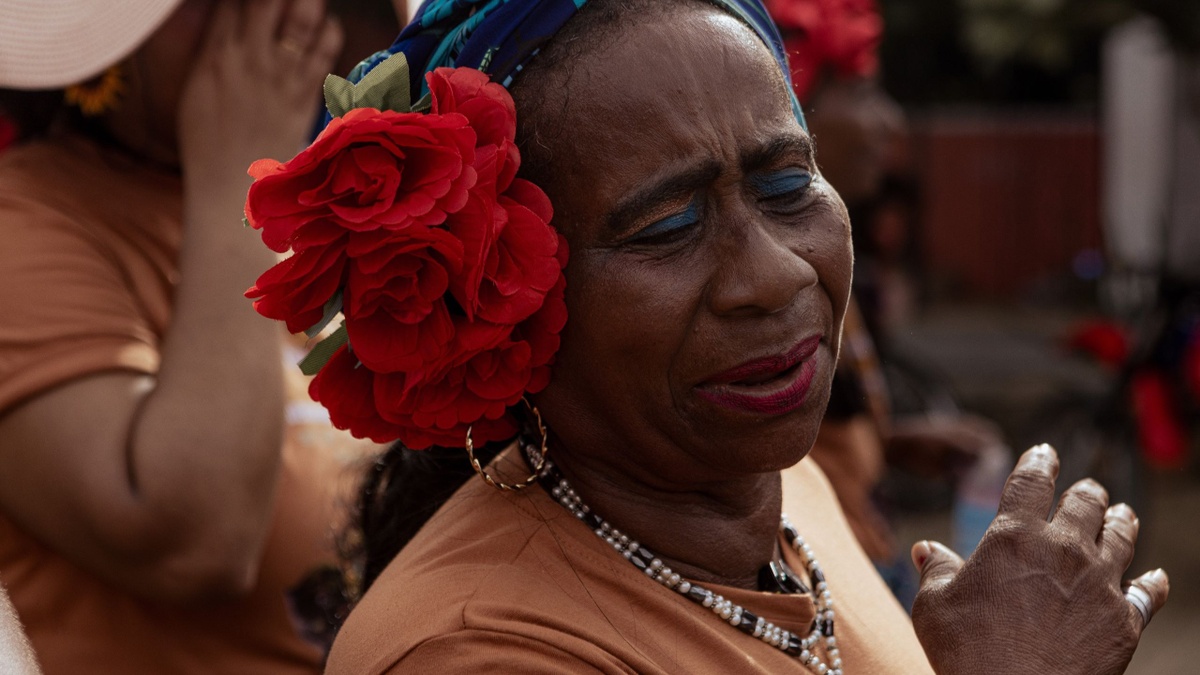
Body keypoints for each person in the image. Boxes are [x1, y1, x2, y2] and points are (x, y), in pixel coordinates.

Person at [239, 0, 1170, 672]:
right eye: (666, 228)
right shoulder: (474, 645)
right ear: (496, 304)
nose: (775, 273)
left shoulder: (784, 488)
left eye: (784, 184)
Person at [0, 0, 390, 671]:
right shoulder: (23, 226)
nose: (284, 15)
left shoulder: (331, 201)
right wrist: (236, 172)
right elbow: (191, 544)